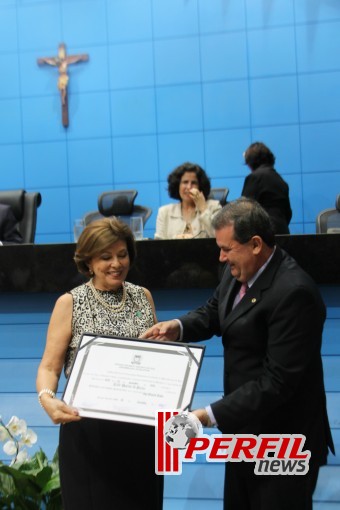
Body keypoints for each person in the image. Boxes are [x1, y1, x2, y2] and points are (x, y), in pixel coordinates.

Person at [142, 198, 334, 510]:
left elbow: (277, 383)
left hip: (283, 441)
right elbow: (214, 312)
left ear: (256, 244)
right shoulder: (239, 270)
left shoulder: (294, 293)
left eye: (227, 248)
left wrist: (206, 416)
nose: (221, 257)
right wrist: (176, 328)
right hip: (245, 430)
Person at [36, 217, 163, 510]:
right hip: (89, 433)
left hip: (142, 432)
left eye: (122, 254)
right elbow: (49, 367)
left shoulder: (143, 296)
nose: (116, 263)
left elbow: (157, 358)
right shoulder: (70, 302)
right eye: (106, 257)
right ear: (88, 261)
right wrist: (47, 399)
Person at [154, 162, 221, 239]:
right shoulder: (164, 212)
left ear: (200, 186)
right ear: (177, 185)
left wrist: (203, 208)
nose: (189, 187)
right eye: (185, 182)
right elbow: (158, 245)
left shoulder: (214, 206)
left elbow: (220, 237)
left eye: (194, 183)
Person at [242, 142, 292, 234]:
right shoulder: (280, 180)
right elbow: (288, 213)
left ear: (250, 162)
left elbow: (244, 210)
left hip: (264, 234)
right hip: (283, 232)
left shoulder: (254, 177)